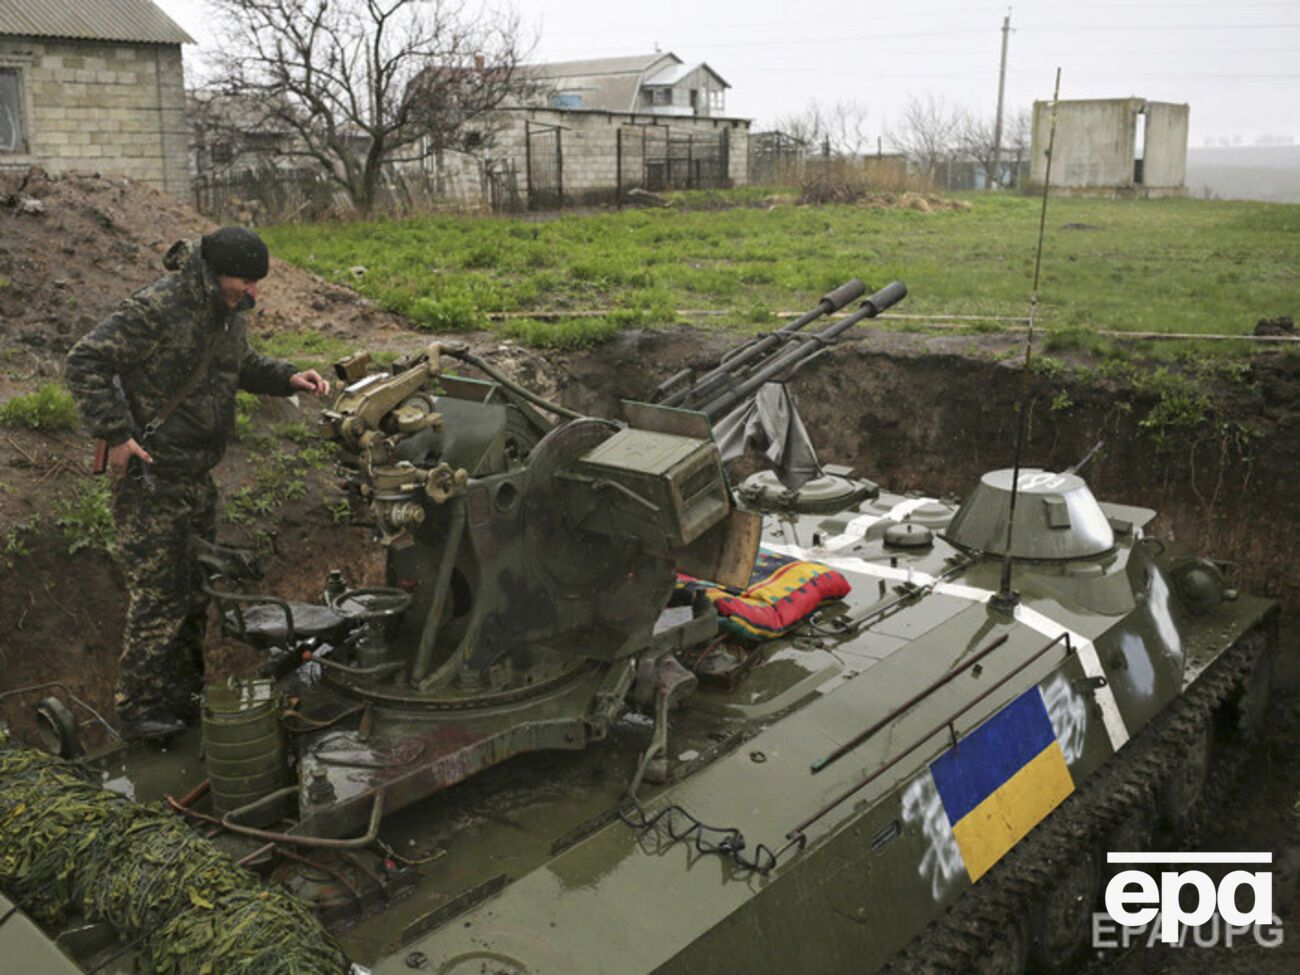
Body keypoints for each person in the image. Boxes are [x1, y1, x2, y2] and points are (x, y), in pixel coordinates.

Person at [65, 227, 330, 740]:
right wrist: (115, 433)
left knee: (194, 595)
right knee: (159, 595)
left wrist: (287, 377)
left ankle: (185, 697)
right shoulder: (159, 307)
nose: (252, 292)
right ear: (215, 272)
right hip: (151, 477)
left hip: (194, 476)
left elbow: (237, 365)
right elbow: (85, 360)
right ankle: (139, 709)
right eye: (245, 281)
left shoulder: (227, 312)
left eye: (256, 283)